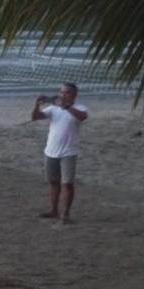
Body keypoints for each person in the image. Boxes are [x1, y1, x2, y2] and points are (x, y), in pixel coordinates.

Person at [32, 83, 89, 223]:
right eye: (61, 92)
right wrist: (37, 104)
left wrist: (67, 107)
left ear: (74, 95)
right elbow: (35, 117)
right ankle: (54, 210)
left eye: (67, 93)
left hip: (69, 152)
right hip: (51, 151)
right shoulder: (53, 108)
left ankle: (66, 214)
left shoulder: (80, 108)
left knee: (67, 183)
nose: (63, 95)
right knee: (53, 182)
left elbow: (82, 116)